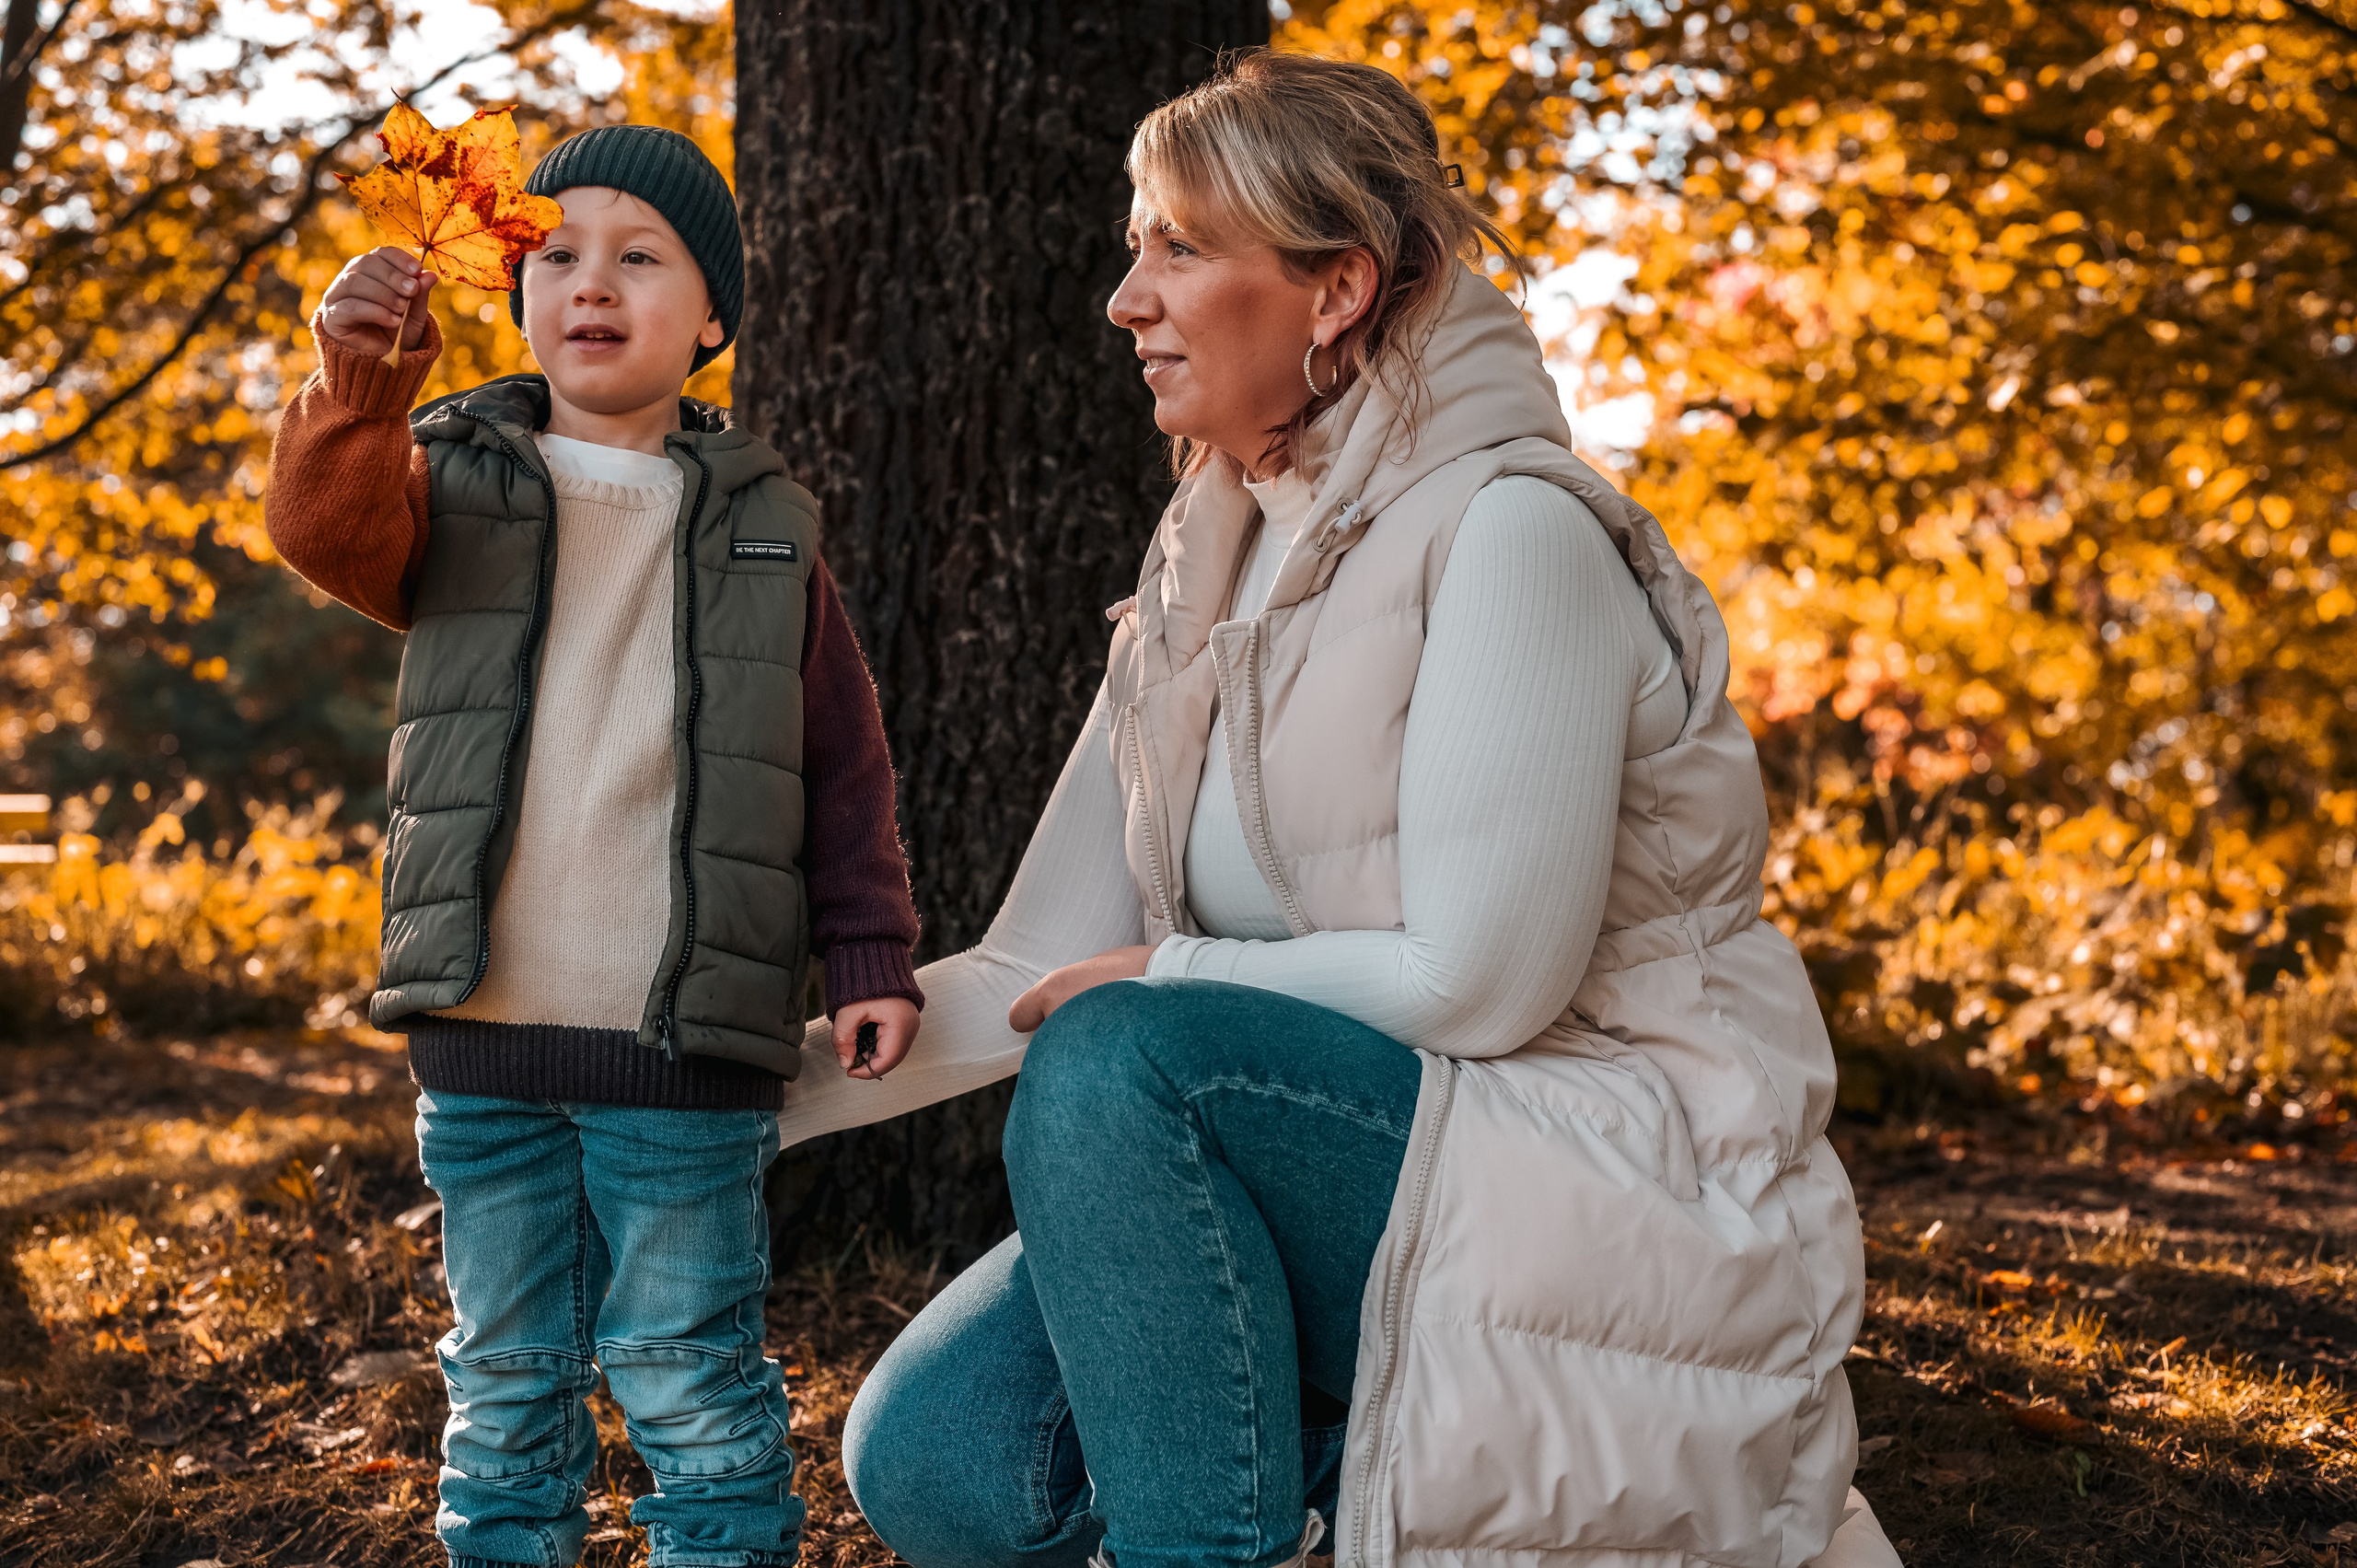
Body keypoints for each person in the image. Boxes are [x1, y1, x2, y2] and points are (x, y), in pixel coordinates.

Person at [778, 50, 1904, 1568]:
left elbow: (1479, 984)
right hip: (1349, 1172)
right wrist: (737, 1102)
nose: (1126, 300)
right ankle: (1321, 1496)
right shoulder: (1199, 580)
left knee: (1125, 1060)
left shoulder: (1514, 533)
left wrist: (1169, 977)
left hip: (1604, 1184)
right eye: (1134, 247)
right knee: (943, 1461)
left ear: (1336, 291)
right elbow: (1028, 971)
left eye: (1182, 248)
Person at [263, 124, 924, 1568]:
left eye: (641, 257)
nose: (592, 283)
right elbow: (321, 533)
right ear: (518, 297)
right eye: (556, 255)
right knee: (502, 1378)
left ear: (714, 318)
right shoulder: (448, 475)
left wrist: (869, 950)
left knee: (689, 1371)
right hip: (482, 1035)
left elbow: (839, 759)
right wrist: (359, 381)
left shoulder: (765, 522)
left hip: (685, 1045)